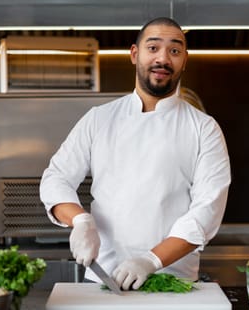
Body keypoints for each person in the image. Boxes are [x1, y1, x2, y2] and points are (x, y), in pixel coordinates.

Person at [39, 17, 231, 291]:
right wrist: (80, 220)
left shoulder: (204, 129)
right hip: (103, 280)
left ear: (184, 60)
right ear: (134, 54)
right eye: (153, 48)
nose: (163, 58)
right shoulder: (98, 119)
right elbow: (56, 178)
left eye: (174, 51)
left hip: (173, 284)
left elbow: (207, 211)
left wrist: (151, 260)